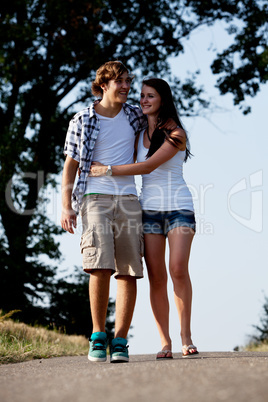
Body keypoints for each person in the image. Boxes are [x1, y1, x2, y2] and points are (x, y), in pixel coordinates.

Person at [60, 62, 176, 363]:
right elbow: (70, 166)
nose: (126, 87)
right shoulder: (82, 119)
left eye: (128, 81)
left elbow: (161, 117)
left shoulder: (135, 115)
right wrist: (66, 206)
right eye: (119, 82)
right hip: (94, 197)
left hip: (127, 198)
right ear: (103, 85)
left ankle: (121, 340)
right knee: (99, 265)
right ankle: (98, 337)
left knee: (128, 269)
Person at [89, 78, 198, 359]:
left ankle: (186, 337)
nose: (144, 100)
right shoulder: (138, 134)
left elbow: (148, 166)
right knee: (156, 277)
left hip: (179, 207)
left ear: (163, 99)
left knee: (177, 269)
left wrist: (108, 170)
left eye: (150, 96)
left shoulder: (176, 133)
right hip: (147, 210)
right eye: (142, 96)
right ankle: (165, 342)